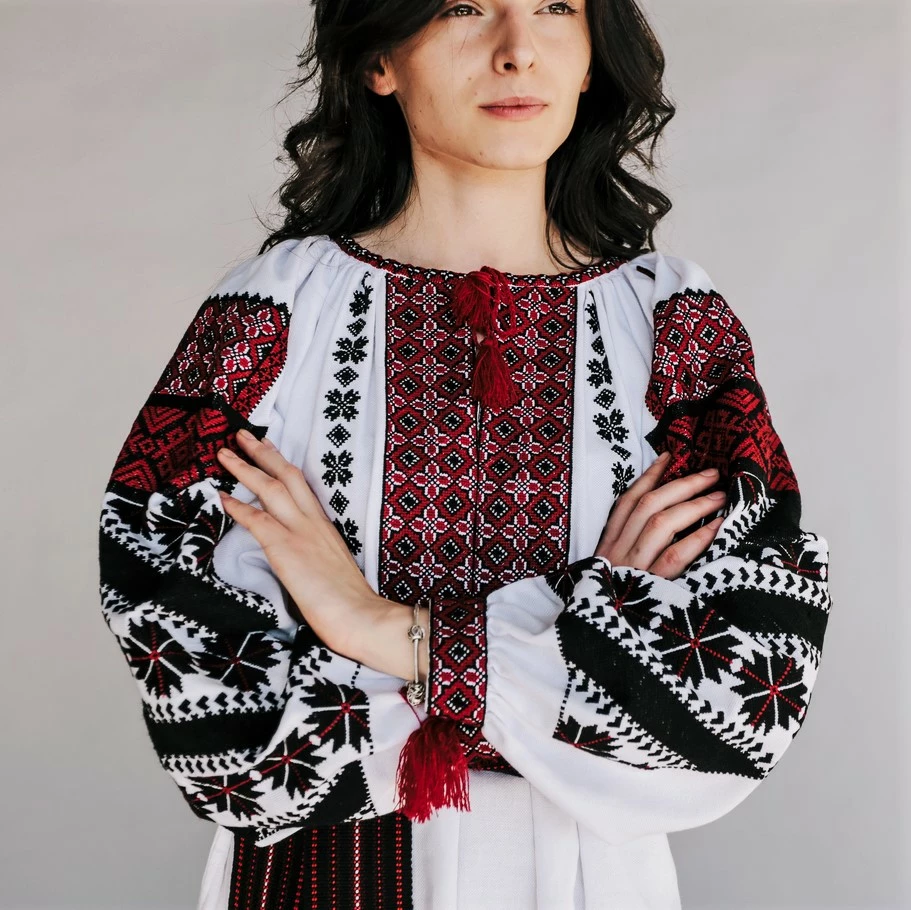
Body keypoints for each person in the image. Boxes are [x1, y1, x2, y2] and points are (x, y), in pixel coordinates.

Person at [96, 0, 833, 907]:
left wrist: (375, 628)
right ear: (380, 62)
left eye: (555, 6)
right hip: (322, 867)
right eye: (463, 8)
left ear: (590, 59)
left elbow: (742, 700)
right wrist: (583, 642)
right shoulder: (268, 316)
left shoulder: (675, 327)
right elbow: (216, 728)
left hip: (580, 877)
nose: (517, 50)